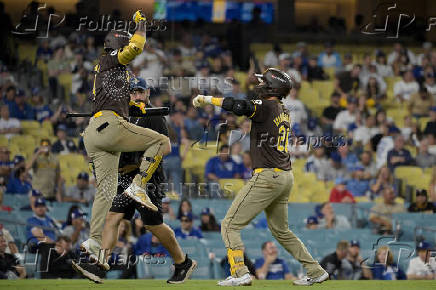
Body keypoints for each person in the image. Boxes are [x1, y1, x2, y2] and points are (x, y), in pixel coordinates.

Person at [193, 68, 327, 286]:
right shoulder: (283, 109)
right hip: (285, 175)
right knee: (281, 231)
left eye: (264, 82)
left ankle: (240, 272)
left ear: (271, 86)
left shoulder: (267, 106)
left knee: (229, 225)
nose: (260, 84)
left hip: (268, 176)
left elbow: (238, 106)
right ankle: (315, 270)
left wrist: (208, 99)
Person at [73, 76, 194, 284]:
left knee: (153, 226)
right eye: (133, 92)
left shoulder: (154, 116)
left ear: (148, 94)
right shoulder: (120, 116)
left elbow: (164, 148)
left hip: (148, 179)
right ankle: (100, 266)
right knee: (112, 216)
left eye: (141, 91)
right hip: (125, 177)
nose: (137, 95)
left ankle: (183, 262)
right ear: (127, 94)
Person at [76, 10, 171, 272]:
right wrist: (140, 25)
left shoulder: (105, 70)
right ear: (118, 44)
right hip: (110, 125)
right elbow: (137, 47)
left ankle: (94, 241)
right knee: (162, 141)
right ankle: (139, 185)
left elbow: (117, 99)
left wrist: (135, 109)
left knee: (105, 192)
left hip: (94, 133)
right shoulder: (111, 60)